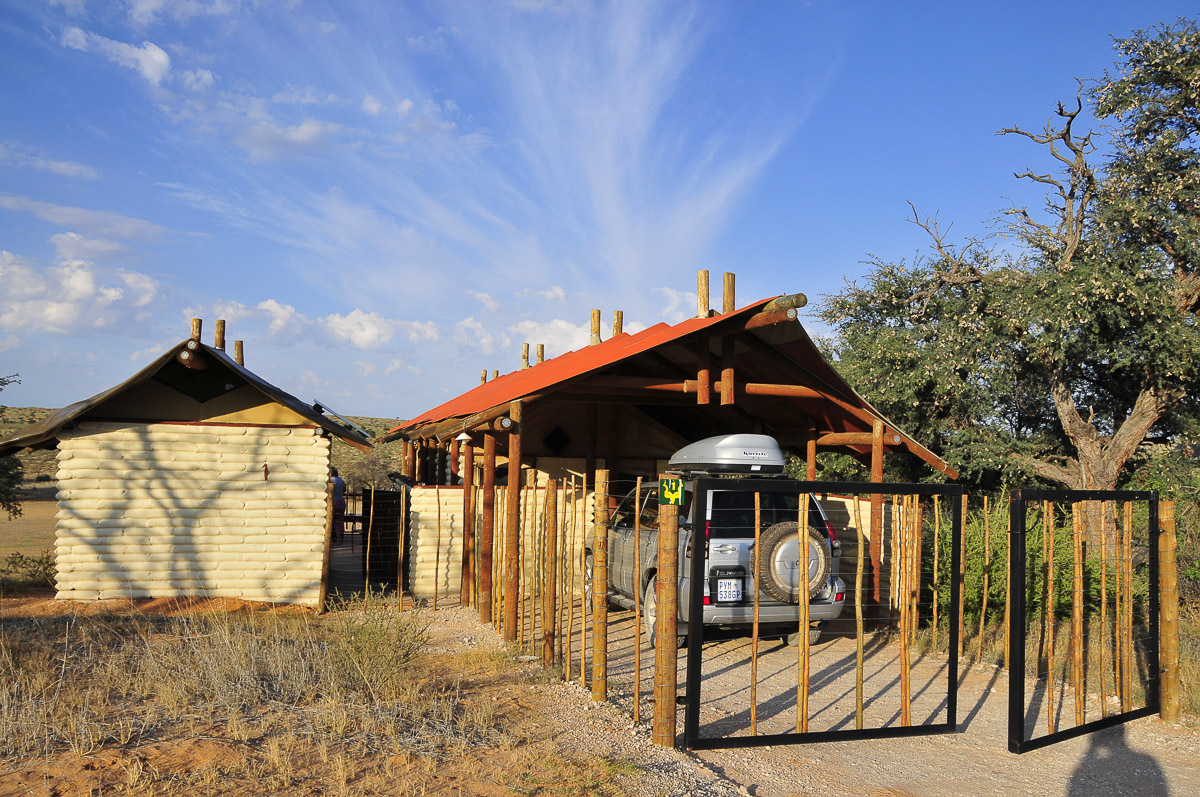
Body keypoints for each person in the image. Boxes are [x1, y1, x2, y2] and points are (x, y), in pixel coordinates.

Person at [331, 467, 346, 543]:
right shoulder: (341, 481)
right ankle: (340, 539)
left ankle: (333, 538)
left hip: (334, 501)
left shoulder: (331, 481)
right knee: (340, 520)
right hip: (341, 501)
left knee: (332, 520)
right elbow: (344, 489)